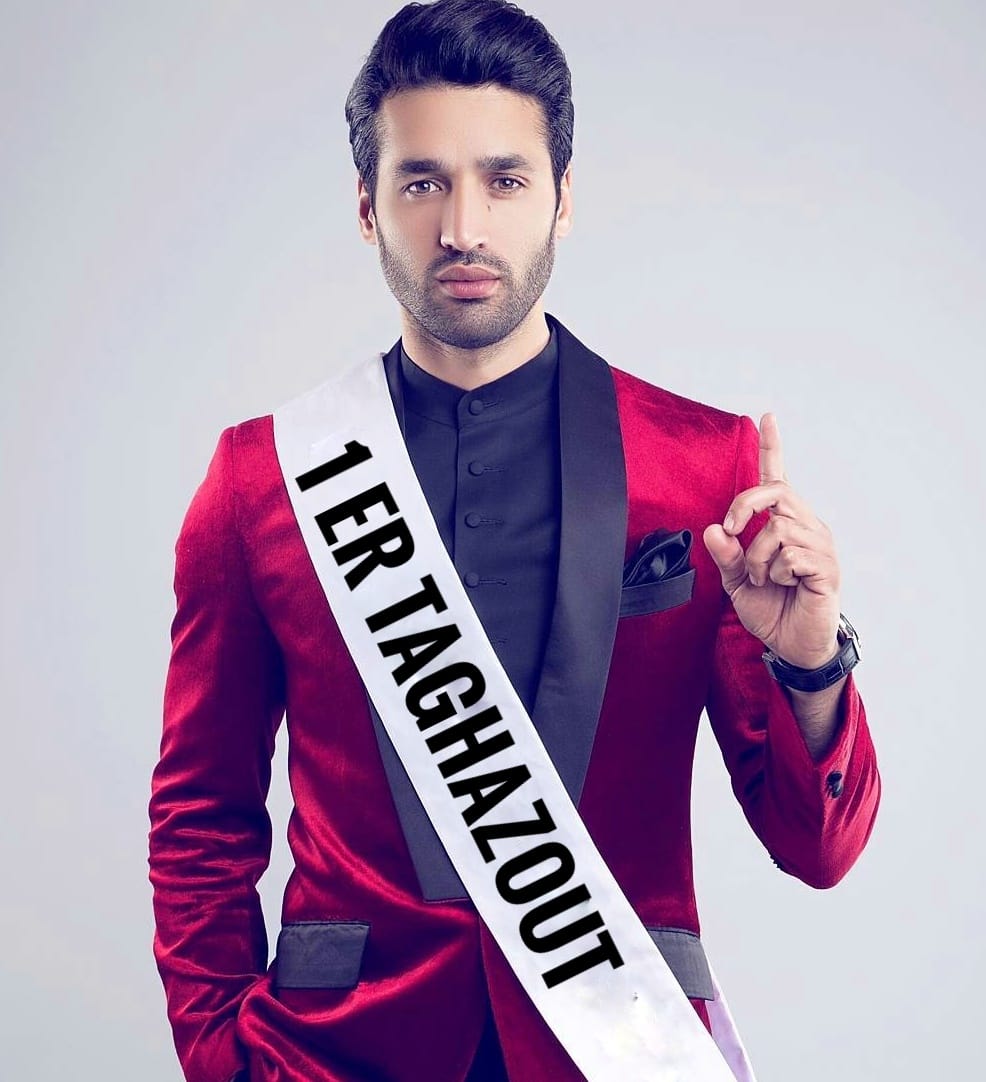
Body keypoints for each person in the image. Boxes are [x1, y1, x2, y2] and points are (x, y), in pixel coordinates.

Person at [148, 2, 881, 1080]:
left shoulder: (704, 466)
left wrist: (810, 664)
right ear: (366, 206)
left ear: (562, 198)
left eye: (503, 180)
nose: (463, 227)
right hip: (334, 1054)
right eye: (422, 182)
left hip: (614, 1048)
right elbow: (200, 814)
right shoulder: (260, 478)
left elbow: (816, 851)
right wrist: (220, 1054)